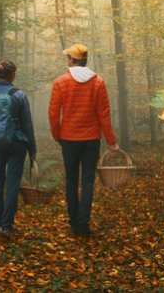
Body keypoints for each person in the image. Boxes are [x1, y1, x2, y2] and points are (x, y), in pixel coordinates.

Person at [48, 43, 120, 237]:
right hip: (91, 141)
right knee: (87, 181)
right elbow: (104, 115)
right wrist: (111, 141)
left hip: (69, 139)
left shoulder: (60, 82)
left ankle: (73, 223)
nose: (67, 61)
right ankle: (83, 225)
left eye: (68, 58)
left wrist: (57, 136)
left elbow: (54, 115)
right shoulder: (98, 82)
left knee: (71, 180)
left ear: (72, 60)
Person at [0, 59, 36, 237]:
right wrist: (32, 149)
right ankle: (7, 226)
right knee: (12, 184)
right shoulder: (18, 96)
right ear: (12, 75)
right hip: (17, 145)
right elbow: (27, 125)